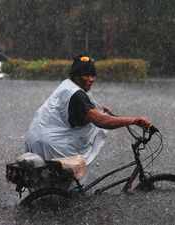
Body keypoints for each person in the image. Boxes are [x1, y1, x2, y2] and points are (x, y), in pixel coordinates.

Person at [25, 55, 151, 184]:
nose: (91, 79)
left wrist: (100, 110)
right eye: (86, 75)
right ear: (75, 75)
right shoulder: (76, 94)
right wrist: (134, 120)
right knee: (69, 180)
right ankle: (67, 199)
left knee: (49, 184)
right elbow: (101, 121)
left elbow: (84, 106)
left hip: (37, 138)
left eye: (93, 75)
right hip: (52, 144)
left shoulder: (67, 85)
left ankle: (51, 199)